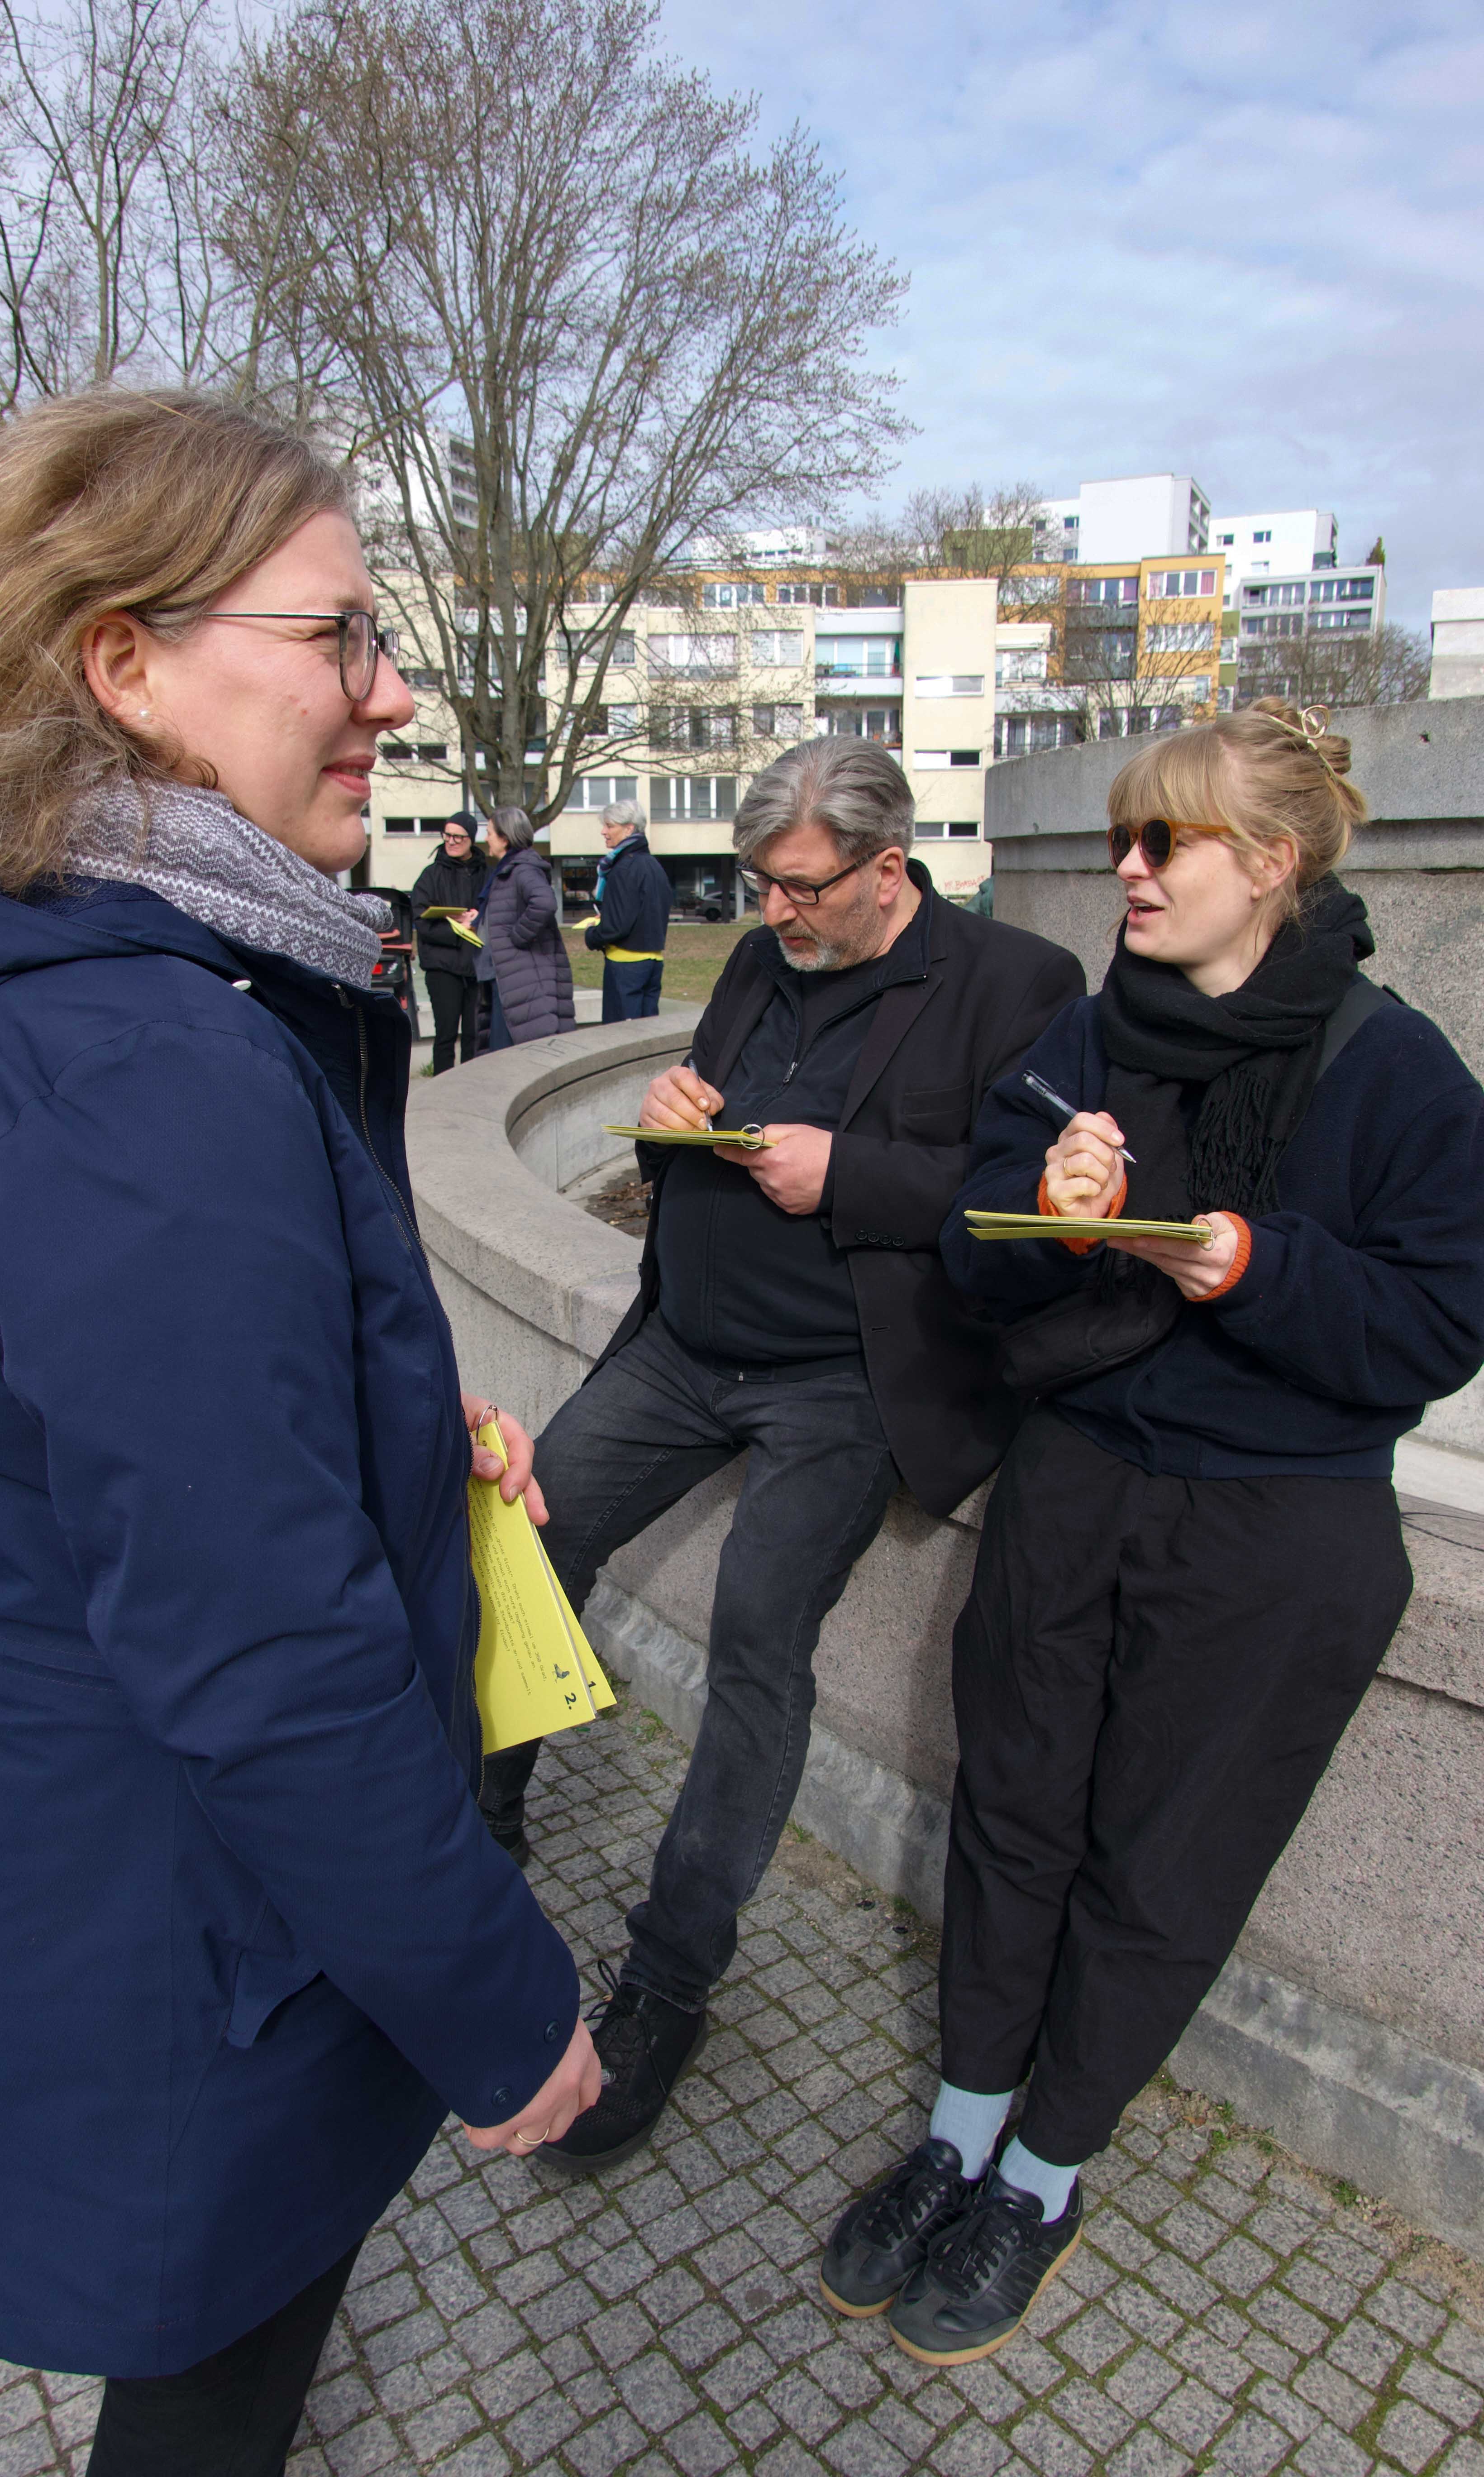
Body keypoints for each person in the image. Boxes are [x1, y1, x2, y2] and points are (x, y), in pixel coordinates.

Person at [0, 388, 600, 2475]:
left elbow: (89, 1446)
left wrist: (387, 1426)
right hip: (179, 1943)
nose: (392, 692)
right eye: (340, 634)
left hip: (87, 1892)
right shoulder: (136, 1067)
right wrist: (501, 2004)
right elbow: (263, 1657)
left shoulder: (36, 986)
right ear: (123, 661)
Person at [822, 699, 1484, 2371]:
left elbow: (1434, 1327)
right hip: (1075, 1486)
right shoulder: (1084, 1034)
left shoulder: (1396, 1069)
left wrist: (1250, 1264)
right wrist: (1049, 1221)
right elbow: (971, 1256)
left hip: (1272, 1533)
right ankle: (960, 2130)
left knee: (1160, 1863)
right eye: (1121, 834)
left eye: (1160, 840)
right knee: (1013, 1815)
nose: (1125, 867)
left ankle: (1041, 2178)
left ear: (1266, 863)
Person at [479, 736, 1085, 2170]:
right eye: (760, 883)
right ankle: (482, 1809)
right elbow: (693, 1112)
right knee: (529, 1534)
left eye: (802, 886)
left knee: (757, 1639)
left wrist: (850, 1173)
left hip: (842, 1385)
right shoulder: (761, 960)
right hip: (683, 1347)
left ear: (889, 869)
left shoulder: (1015, 982)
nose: (773, 912)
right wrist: (667, 1123)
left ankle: (668, 1980)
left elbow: (1028, 1205)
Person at [468, 806, 576, 1047]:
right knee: (503, 1051)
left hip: (519, 979)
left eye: (490, 833)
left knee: (511, 1053)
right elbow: (509, 911)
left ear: (505, 838)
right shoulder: (508, 869)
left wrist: (517, 937)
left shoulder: (523, 868)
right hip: (506, 977)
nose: (486, 839)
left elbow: (545, 903)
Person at [411, 811, 487, 1070]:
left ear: (471, 839)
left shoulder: (487, 874)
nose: (451, 841)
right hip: (442, 967)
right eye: (447, 836)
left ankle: (472, 1086)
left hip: (476, 967)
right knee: (445, 1035)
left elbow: (498, 913)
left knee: (475, 1035)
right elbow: (421, 922)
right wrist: (456, 929)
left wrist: (478, 919)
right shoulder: (431, 876)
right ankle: (442, 1088)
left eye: (458, 837)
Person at [584, 797, 669, 1019]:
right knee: (647, 1033)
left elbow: (617, 926)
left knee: (620, 1033)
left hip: (626, 964)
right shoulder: (654, 866)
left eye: (610, 826)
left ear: (629, 829)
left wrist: (592, 936)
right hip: (653, 960)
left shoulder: (624, 868)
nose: (603, 832)